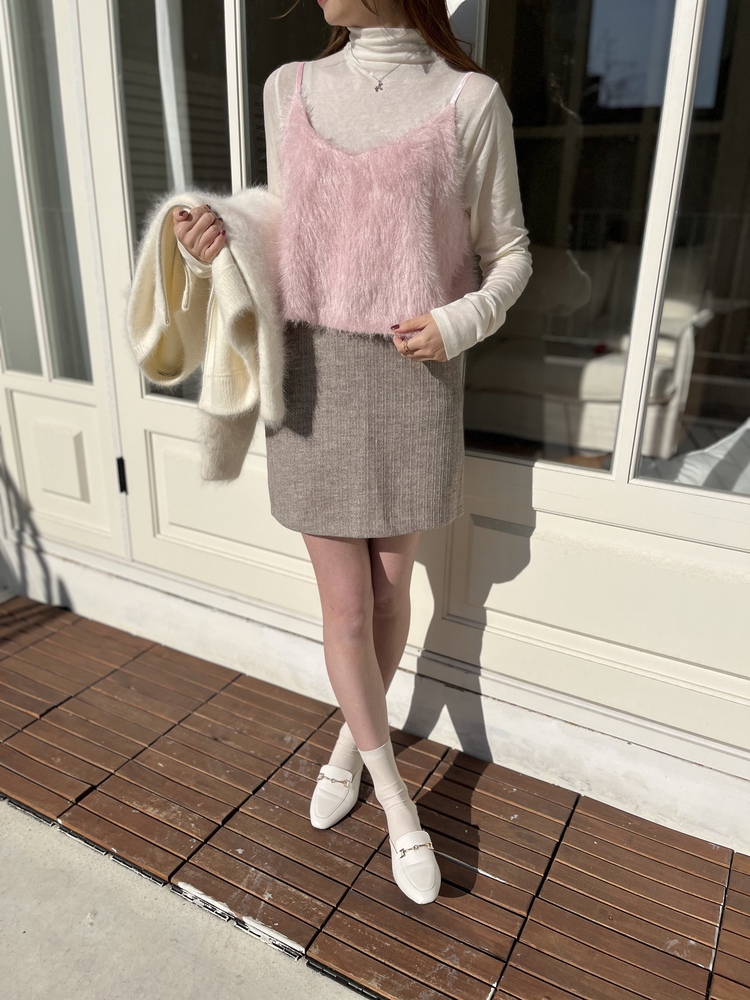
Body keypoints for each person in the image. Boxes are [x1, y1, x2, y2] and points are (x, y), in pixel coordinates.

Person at [172, 0, 531, 905]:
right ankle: (401, 807)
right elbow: (285, 233)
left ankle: (348, 744)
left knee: (390, 593)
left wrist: (460, 320)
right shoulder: (287, 88)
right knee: (346, 605)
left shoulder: (471, 101)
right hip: (313, 375)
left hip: (414, 378)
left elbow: (511, 252)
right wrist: (217, 242)